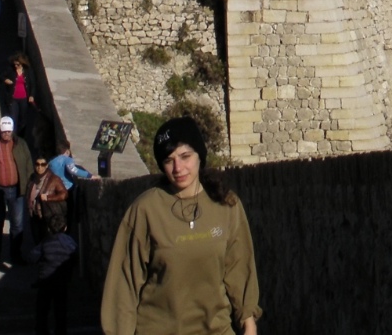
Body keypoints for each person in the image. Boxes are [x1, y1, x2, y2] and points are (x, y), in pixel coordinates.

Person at [101, 116, 261, 335]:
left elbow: (240, 268)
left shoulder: (226, 205)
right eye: (169, 160)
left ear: (199, 157)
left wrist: (248, 321)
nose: (178, 167)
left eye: (185, 156)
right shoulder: (145, 210)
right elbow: (124, 285)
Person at [0, 116, 33, 267]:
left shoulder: (21, 144)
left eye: (9, 132)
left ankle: (15, 256)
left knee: (17, 225)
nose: (7, 135)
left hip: (17, 191)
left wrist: (28, 185)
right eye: (4, 132)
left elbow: (28, 164)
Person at [30, 210, 77, 335]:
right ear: (65, 228)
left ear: (48, 228)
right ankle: (61, 331)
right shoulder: (70, 243)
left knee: (42, 308)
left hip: (45, 281)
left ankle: (42, 330)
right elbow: (75, 258)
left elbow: (33, 257)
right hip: (62, 280)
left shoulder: (45, 242)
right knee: (60, 308)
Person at [27, 154, 69, 243]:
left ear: (46, 166)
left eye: (42, 164)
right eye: (37, 164)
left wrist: (48, 198)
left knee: (48, 241)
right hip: (34, 215)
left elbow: (64, 194)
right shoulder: (32, 178)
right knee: (37, 240)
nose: (39, 167)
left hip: (48, 215)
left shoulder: (54, 179)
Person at [2, 52, 37, 136]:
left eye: (17, 64)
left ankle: (21, 138)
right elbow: (1, 76)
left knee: (23, 120)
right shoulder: (10, 70)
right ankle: (13, 137)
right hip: (13, 98)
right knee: (13, 119)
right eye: (14, 64)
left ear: (22, 64)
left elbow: (33, 84)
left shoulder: (28, 71)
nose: (15, 66)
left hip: (24, 99)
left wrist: (32, 95)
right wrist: (5, 80)